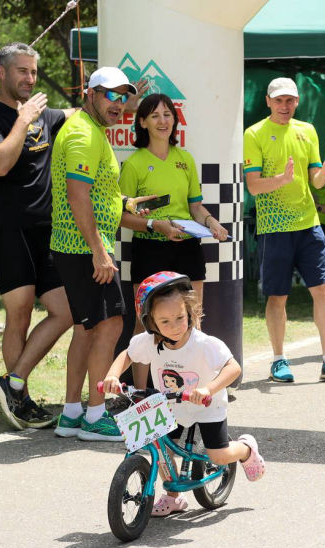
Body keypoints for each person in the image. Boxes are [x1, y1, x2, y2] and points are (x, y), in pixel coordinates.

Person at [0, 42, 74, 430]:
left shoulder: (46, 114)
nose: (30, 78)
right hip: (8, 228)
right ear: (2, 73)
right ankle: (21, 399)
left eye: (33, 72)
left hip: (45, 230)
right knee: (21, 312)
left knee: (65, 310)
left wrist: (120, 99)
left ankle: (12, 383)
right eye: (22, 71)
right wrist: (23, 120)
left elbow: (83, 113)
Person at [102, 272, 265, 516]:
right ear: (151, 322)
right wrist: (113, 376)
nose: (174, 326)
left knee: (219, 456)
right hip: (171, 404)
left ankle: (245, 449)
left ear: (189, 312)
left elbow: (233, 368)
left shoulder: (204, 344)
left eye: (180, 317)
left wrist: (208, 389)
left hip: (207, 404)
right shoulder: (150, 341)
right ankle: (173, 498)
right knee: (160, 447)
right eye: (165, 321)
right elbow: (127, 355)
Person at [49, 66, 155, 442]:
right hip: (84, 249)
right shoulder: (83, 133)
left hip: (77, 246)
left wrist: (123, 203)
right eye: (110, 94)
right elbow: (77, 195)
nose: (119, 103)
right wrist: (98, 251)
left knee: (87, 329)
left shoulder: (92, 130)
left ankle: (71, 414)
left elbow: (94, 192)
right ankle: (95, 415)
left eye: (124, 96)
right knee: (110, 326)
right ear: (89, 93)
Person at [243, 77, 325, 383]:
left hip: (309, 225)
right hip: (274, 228)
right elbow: (253, 186)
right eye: (278, 100)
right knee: (277, 297)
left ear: (297, 102)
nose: (284, 106)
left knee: (322, 291)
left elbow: (316, 180)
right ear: (268, 102)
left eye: (290, 100)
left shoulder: (307, 130)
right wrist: (281, 180)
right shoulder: (253, 133)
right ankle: (279, 360)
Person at [117, 93, 229, 386]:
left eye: (167, 114)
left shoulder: (185, 159)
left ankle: (199, 387)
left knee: (193, 320)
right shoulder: (134, 163)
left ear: (175, 120)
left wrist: (212, 223)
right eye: (155, 115)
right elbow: (120, 216)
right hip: (149, 249)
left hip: (187, 248)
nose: (162, 121)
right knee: (145, 325)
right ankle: (141, 392)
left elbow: (195, 207)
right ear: (142, 122)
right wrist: (156, 226)